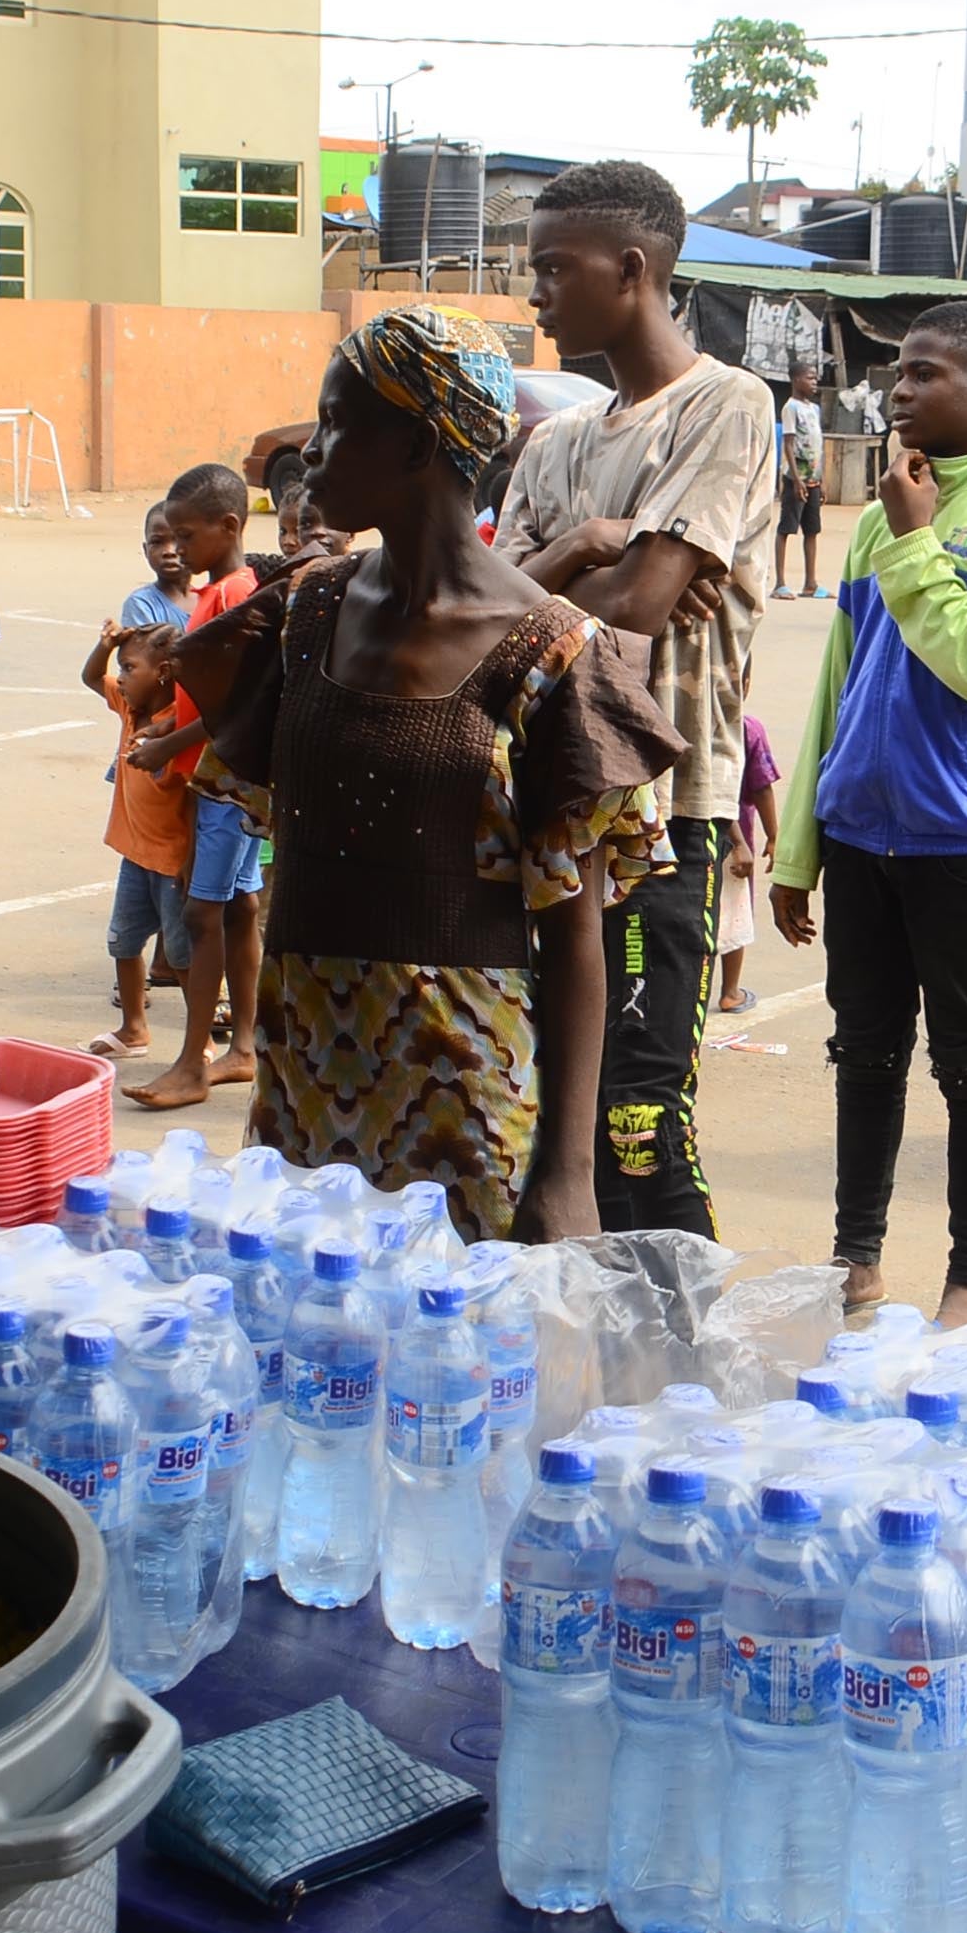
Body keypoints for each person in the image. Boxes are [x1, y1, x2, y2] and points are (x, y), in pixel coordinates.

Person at [176, 303, 679, 1243]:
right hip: (302, 1090)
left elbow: (576, 939)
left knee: (455, 1375)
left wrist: (567, 1175)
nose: (313, 451)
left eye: (337, 423)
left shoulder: (552, 652)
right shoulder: (307, 613)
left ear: (415, 443)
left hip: (463, 1103)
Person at [767, 300, 967, 1320]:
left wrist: (914, 543)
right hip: (862, 831)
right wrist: (799, 848)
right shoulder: (882, 517)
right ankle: (856, 1256)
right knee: (864, 1050)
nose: (900, 393)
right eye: (898, 375)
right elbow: (839, 691)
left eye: (924, 374)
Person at [498, 159, 776, 1239]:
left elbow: (642, 607)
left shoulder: (728, 407)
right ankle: (581, 1374)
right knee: (543, 1117)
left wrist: (561, 582)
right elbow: (484, 611)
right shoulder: (557, 440)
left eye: (553, 269)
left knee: (639, 1123)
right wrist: (579, 547)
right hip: (546, 806)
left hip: (671, 811)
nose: (537, 294)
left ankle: (681, 1380)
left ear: (634, 268)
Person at [127, 463, 269, 1110]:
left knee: (201, 912)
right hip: (228, 779)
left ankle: (192, 1061)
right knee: (237, 907)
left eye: (187, 535)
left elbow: (232, 706)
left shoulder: (233, 594)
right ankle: (243, 1047)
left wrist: (164, 745)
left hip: (225, 783)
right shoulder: (223, 592)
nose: (178, 548)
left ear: (229, 526)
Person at [81, 619, 193, 1062]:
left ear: (163, 672)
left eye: (129, 668)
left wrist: (192, 862)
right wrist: (105, 644)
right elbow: (92, 677)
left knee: (183, 955)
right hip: (134, 855)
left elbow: (196, 800)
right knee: (124, 943)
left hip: (171, 861)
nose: (121, 678)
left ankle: (198, 1037)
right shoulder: (130, 709)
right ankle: (133, 1028)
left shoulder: (177, 727)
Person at [715, 714, 780, 1016]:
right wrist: (773, 836)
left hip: (686, 836)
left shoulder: (687, 716)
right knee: (733, 915)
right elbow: (762, 787)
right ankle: (730, 991)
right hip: (734, 842)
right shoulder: (747, 727)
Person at [774, 363, 828, 599]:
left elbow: (817, 445)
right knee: (786, 528)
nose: (814, 382)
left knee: (812, 530)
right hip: (796, 479)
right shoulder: (790, 408)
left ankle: (811, 584)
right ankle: (780, 584)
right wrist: (796, 480)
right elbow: (788, 444)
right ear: (796, 380)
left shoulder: (814, 409)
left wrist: (821, 478)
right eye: (810, 378)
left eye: (816, 378)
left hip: (814, 480)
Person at [123, 501, 196, 631]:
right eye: (157, 542)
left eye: (178, 540)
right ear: (146, 550)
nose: (168, 551)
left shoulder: (210, 599)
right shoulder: (142, 604)